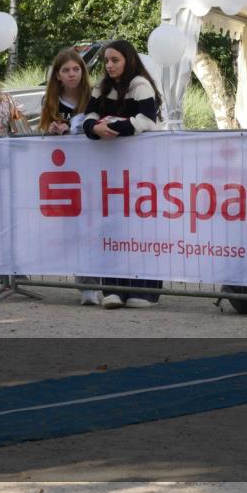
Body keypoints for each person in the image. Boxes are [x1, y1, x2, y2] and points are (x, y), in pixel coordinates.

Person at [83, 40, 164, 310]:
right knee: (111, 226)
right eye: (106, 60)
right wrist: (95, 128)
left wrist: (114, 125)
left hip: (142, 168)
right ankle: (113, 288)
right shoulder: (101, 86)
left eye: (115, 60)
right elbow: (89, 116)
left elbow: (147, 121)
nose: (109, 65)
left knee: (143, 227)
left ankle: (146, 291)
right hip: (110, 169)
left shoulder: (141, 85)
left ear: (127, 60)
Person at [41, 49, 99, 304]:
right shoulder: (51, 101)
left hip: (96, 171)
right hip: (66, 175)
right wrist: (52, 130)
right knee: (75, 229)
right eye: (66, 70)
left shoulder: (93, 96)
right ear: (58, 75)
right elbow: (42, 130)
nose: (72, 74)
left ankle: (106, 283)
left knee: (98, 227)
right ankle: (86, 285)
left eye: (76, 69)